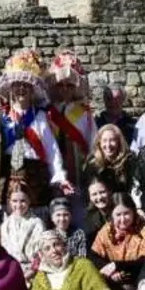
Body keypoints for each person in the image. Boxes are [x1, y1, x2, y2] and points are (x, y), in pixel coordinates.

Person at [0, 49, 72, 210]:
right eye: (17, 85)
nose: (21, 89)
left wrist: (59, 176)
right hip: (9, 174)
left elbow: (51, 149)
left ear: (32, 90)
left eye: (26, 85)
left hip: (36, 176)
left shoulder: (41, 117)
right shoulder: (1, 118)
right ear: (10, 89)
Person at [46, 51, 97, 212]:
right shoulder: (47, 112)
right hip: (52, 166)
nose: (65, 89)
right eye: (61, 85)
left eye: (69, 85)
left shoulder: (84, 112)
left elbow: (93, 141)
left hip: (77, 167)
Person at [1, 188, 45, 279]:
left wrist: (30, 272)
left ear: (29, 201)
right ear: (9, 202)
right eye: (14, 201)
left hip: (31, 272)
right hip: (8, 271)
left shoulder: (37, 223)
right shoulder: (5, 225)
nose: (18, 205)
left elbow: (40, 253)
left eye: (23, 201)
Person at [83, 124, 136, 196]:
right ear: (99, 142)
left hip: (125, 202)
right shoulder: (92, 163)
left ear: (119, 142)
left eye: (112, 140)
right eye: (104, 140)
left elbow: (134, 189)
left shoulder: (130, 160)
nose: (108, 145)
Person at [47, 197, 87, 262]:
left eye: (66, 215)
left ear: (71, 216)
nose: (62, 219)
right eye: (58, 215)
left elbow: (82, 257)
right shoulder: (48, 236)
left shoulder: (79, 234)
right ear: (52, 218)